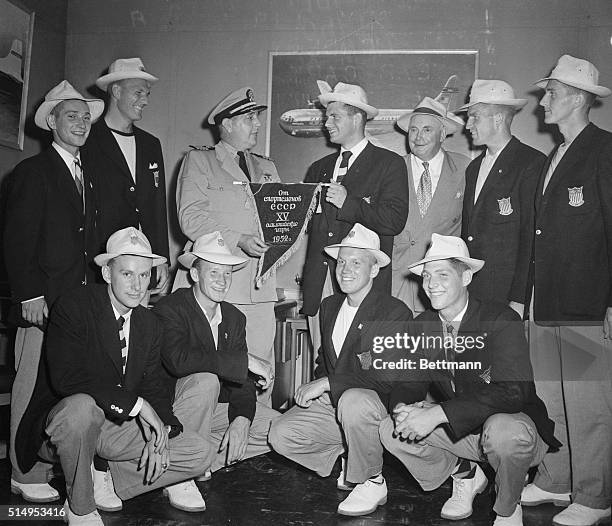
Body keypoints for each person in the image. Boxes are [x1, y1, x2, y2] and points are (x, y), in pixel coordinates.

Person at [13, 228, 208, 525]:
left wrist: (162, 433)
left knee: (199, 453)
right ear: (106, 273)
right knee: (81, 408)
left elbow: (154, 384)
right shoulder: (73, 306)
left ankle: (109, 474)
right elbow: (69, 379)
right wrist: (139, 406)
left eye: (144, 276)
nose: (137, 286)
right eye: (127, 274)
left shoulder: (149, 323)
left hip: (114, 429)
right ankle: (80, 505)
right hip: (66, 426)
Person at [380, 234, 560, 526]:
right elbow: (410, 380)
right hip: (464, 432)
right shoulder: (422, 325)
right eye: (426, 276)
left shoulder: (500, 319)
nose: (431, 283)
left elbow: (514, 392)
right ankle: (465, 472)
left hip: (515, 429)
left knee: (503, 432)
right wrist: (403, 407)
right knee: (391, 429)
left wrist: (437, 413)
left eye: (442, 274)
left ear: (465, 277)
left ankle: (507, 505)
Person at [519, 55, 612, 526]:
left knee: (586, 402)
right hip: (548, 299)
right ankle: (558, 480)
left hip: (584, 301)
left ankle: (595, 497)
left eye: (552, 92)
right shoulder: (555, 155)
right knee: (552, 400)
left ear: (578, 98)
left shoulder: (604, 150)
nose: (545, 101)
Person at [4, 80, 104, 504]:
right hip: (43, 305)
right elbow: (17, 239)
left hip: (77, 308)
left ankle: (54, 467)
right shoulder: (33, 172)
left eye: (85, 117)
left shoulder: (88, 176)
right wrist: (29, 295)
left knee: (64, 390)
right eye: (71, 116)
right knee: (31, 387)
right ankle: (23, 472)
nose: (81, 123)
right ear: (51, 124)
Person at [269, 223, 413, 516]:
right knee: (280, 434)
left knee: (354, 400)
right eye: (342, 261)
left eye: (356, 262)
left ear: (374, 270)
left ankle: (373, 479)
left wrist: (326, 384)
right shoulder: (330, 305)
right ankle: (352, 452)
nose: (345, 269)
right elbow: (326, 360)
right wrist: (319, 387)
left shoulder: (393, 312)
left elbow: (384, 378)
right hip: (339, 400)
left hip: (376, 405)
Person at [176, 87, 280, 405]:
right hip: (219, 287)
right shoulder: (199, 161)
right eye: (250, 118)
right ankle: (199, 449)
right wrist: (238, 240)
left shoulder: (268, 168)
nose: (258, 125)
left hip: (260, 288)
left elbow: (280, 220)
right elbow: (191, 219)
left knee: (261, 374)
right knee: (211, 377)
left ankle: (258, 450)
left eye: (257, 118)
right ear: (228, 124)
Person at [154, 231, 279, 480]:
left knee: (278, 431)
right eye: (214, 272)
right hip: (174, 410)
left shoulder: (234, 317)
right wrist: (246, 361)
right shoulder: (170, 308)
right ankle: (184, 468)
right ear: (194, 274)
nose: (222, 281)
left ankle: (199, 458)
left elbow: (240, 379)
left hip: (213, 411)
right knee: (206, 380)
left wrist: (242, 418)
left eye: (227, 273)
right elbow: (179, 361)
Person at [301, 81, 409, 354]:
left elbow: (394, 221)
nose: (327, 123)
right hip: (321, 285)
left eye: (334, 116)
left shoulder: (389, 164)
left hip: (364, 288)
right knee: (323, 361)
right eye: (327, 117)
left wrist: (349, 204)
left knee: (364, 365)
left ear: (357, 117)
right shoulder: (318, 169)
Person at [83, 57, 169, 294]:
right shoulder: (88, 140)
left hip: (141, 266)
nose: (145, 100)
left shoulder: (151, 144)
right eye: (138, 92)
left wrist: (161, 258)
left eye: (147, 94)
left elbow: (156, 205)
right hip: (101, 266)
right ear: (117, 91)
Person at [458, 80, 545, 314]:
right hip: (472, 294)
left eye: (475, 116)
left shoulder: (531, 164)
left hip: (506, 297)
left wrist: (519, 299)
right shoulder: (473, 168)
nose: (468, 125)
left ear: (498, 118)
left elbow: (530, 238)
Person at [392, 96, 469, 314]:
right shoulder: (392, 168)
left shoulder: (465, 168)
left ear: (443, 134)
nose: (418, 137)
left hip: (443, 288)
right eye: (413, 130)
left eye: (427, 130)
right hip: (397, 282)